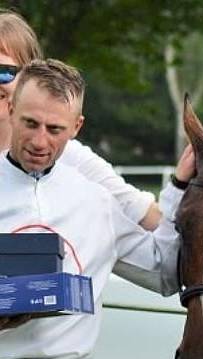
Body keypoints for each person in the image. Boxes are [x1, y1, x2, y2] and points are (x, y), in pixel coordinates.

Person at [0, 59, 185, 359]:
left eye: (55, 129)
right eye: (30, 123)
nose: (40, 141)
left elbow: (164, 270)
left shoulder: (95, 200)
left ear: (77, 127)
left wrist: (179, 189)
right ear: (11, 109)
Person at [0, 8, 161, 230]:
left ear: (30, 78)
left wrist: (186, 183)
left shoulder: (69, 158)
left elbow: (148, 217)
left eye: (3, 71)